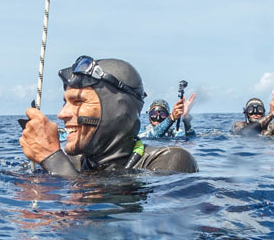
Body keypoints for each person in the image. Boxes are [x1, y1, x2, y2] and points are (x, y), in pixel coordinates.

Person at [20, 56, 196, 175]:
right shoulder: (72, 163)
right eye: (65, 102)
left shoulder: (172, 159)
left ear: (117, 110)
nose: (62, 114)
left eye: (78, 102)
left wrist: (52, 160)